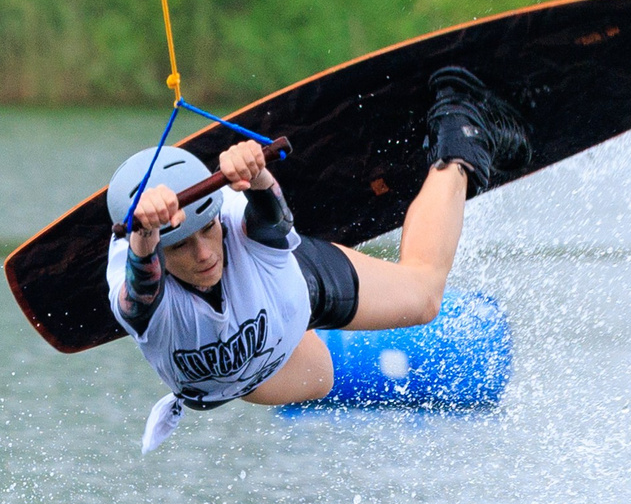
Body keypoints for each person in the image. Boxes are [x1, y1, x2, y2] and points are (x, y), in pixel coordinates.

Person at [107, 68, 527, 449]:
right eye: (181, 246)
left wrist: (257, 175)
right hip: (257, 363)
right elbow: (143, 285)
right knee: (321, 376)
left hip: (293, 286)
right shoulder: (143, 304)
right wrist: (146, 234)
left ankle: (461, 135)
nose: (204, 254)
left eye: (207, 231)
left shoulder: (238, 226)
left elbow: (271, 216)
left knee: (424, 297)